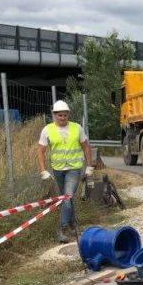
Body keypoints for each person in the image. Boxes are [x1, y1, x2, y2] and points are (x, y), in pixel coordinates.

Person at [37, 100, 94, 243]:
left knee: (67, 197)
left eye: (65, 115)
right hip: (57, 170)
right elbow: (40, 150)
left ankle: (62, 230)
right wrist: (43, 170)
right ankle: (74, 225)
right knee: (66, 199)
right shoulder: (47, 130)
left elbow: (86, 147)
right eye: (60, 115)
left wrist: (89, 166)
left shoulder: (77, 128)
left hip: (74, 168)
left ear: (68, 114)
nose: (62, 118)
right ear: (54, 115)